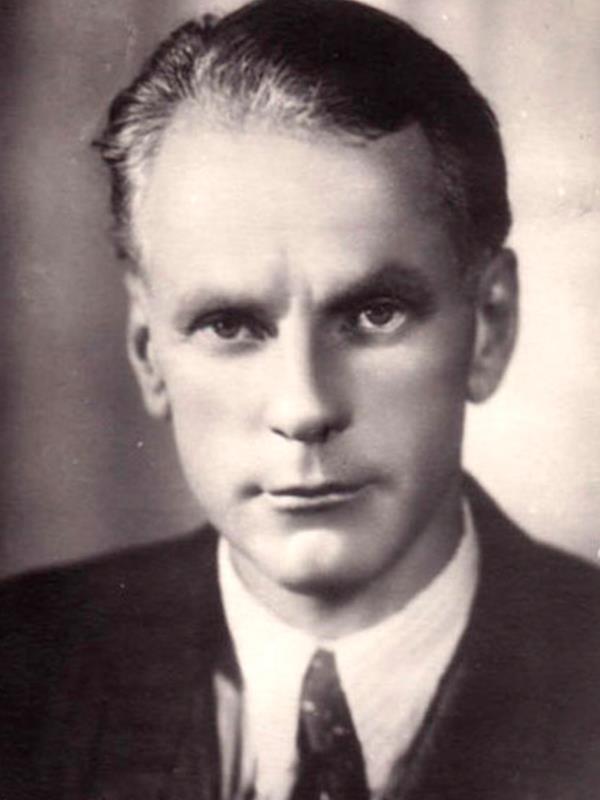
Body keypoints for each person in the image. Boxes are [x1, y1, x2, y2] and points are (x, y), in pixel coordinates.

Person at [1, 1, 599, 798]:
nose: (305, 407)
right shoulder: (20, 677)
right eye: (230, 325)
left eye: (375, 314)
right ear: (149, 354)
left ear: (489, 326)